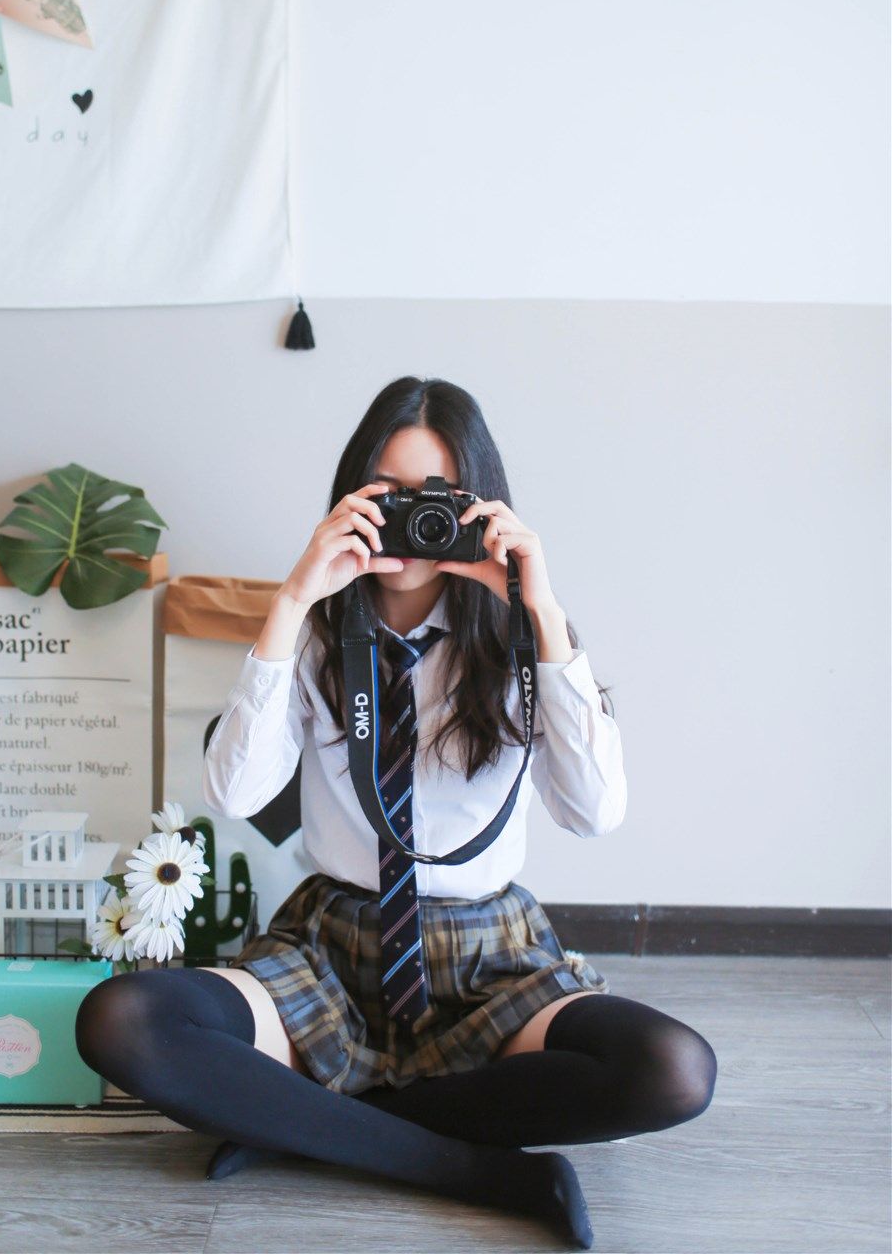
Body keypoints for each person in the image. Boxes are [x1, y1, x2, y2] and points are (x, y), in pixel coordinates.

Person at [76, 376, 717, 1250]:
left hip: (490, 959)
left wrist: (542, 612)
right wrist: (292, 602)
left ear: (480, 505)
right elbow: (232, 796)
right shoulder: (316, 633)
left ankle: (307, 1122)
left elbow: (594, 812)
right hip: (330, 949)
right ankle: (474, 1170)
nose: (414, 520)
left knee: (673, 1069)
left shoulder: (521, 641)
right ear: (350, 496)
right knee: (123, 1020)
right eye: (389, 492)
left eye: (436, 496)